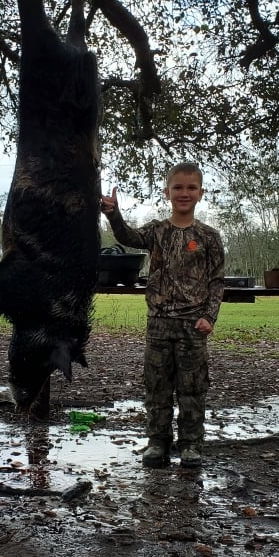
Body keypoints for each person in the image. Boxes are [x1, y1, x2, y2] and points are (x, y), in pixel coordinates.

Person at [100, 162, 225, 468]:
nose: (184, 193)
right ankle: (157, 443)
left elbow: (216, 281)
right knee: (157, 387)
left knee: (193, 389)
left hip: (192, 326)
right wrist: (113, 214)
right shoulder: (157, 231)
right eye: (178, 188)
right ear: (167, 192)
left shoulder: (208, 236)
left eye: (191, 188)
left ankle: (191, 445)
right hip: (158, 324)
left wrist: (209, 317)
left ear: (201, 193)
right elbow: (127, 237)